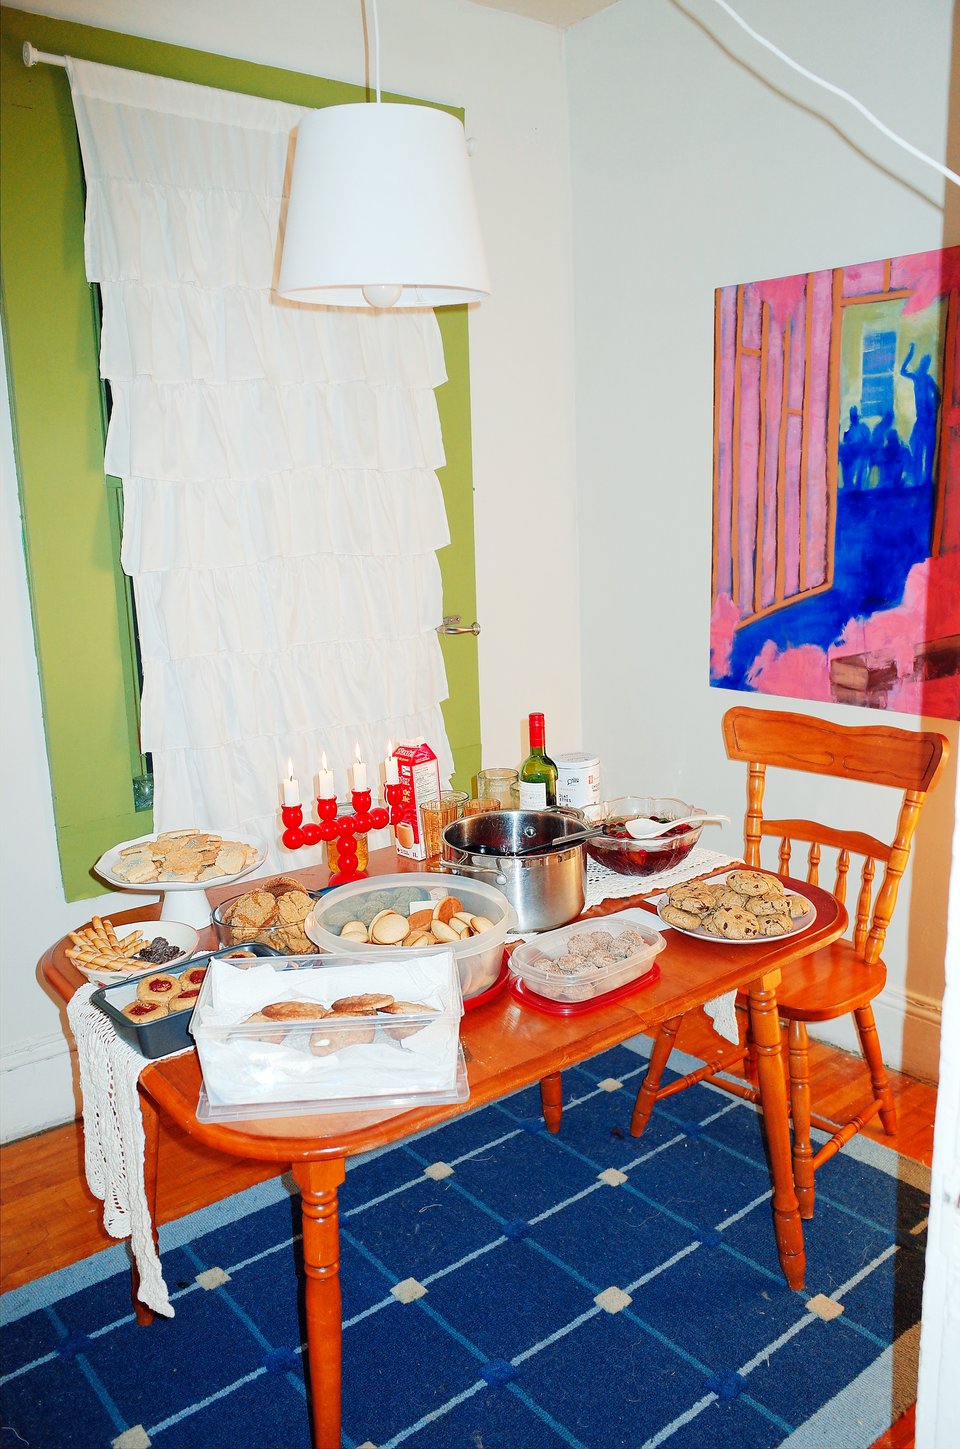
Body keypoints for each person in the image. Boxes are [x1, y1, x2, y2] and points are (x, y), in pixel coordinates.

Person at [900, 343, 941, 486]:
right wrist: (910, 354)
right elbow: (902, 371)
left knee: (928, 450)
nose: (925, 365)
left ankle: (927, 480)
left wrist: (934, 410)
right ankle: (918, 479)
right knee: (916, 446)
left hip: (928, 420)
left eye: (927, 363)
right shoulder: (917, 378)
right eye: (924, 362)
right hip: (920, 420)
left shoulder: (928, 379)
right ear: (922, 363)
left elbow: (939, 395)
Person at [839, 405, 870, 489]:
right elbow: (846, 442)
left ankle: (858, 487)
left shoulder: (863, 428)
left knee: (860, 466)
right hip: (851, 455)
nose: (853, 418)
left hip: (861, 454)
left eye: (854, 416)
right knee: (846, 463)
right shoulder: (848, 430)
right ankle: (848, 486)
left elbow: (867, 441)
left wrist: (860, 446)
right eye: (852, 417)